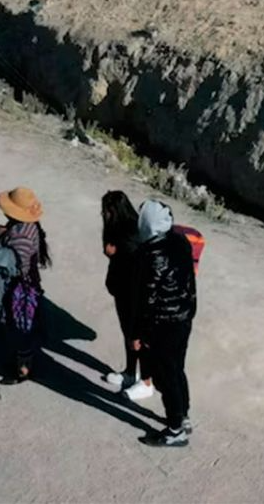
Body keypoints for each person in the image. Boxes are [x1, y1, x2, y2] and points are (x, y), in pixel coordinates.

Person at [132, 199, 197, 447]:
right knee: (177, 369)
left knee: (165, 375)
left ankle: (175, 429)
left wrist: (138, 333)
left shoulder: (150, 255)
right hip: (183, 318)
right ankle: (184, 415)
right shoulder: (180, 241)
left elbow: (147, 299)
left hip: (162, 324)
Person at [100, 191, 152, 399]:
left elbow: (132, 259)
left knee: (137, 336)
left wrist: (115, 252)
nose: (103, 214)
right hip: (122, 289)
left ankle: (146, 380)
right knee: (128, 333)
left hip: (134, 292)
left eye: (106, 210)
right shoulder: (116, 226)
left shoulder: (132, 231)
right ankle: (130, 373)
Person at [0, 186, 49, 383]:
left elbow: (17, 266)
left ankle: (22, 370)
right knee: (26, 326)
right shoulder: (31, 227)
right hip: (30, 284)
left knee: (19, 327)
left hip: (20, 287)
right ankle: (25, 363)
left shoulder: (19, 236)